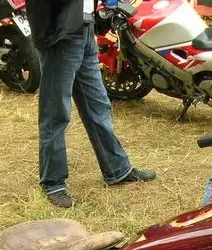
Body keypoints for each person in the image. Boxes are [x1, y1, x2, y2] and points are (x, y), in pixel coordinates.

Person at [24, 0, 156, 208]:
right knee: (56, 113)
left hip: (85, 28)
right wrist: (51, 34)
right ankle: (53, 183)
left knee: (98, 106)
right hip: (60, 33)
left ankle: (117, 169)